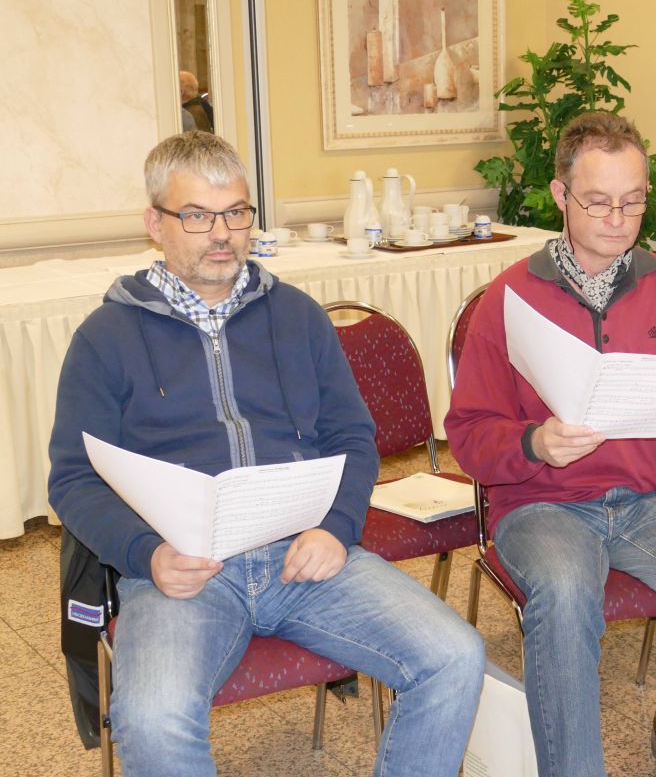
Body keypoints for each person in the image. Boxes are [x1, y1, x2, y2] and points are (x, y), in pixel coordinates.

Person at [47, 131, 485, 777]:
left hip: (303, 552)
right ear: (155, 224)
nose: (222, 234)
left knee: (455, 656)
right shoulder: (106, 337)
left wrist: (336, 528)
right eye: (197, 216)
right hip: (183, 569)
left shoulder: (297, 316)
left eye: (236, 212)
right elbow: (73, 479)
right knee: (151, 718)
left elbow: (352, 436)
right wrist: (147, 555)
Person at [445, 111, 656, 777]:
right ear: (560, 196)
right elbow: (468, 434)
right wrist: (534, 443)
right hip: (542, 505)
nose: (617, 218)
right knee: (564, 594)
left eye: (632, 202)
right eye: (598, 201)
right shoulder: (510, 297)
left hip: (648, 502)